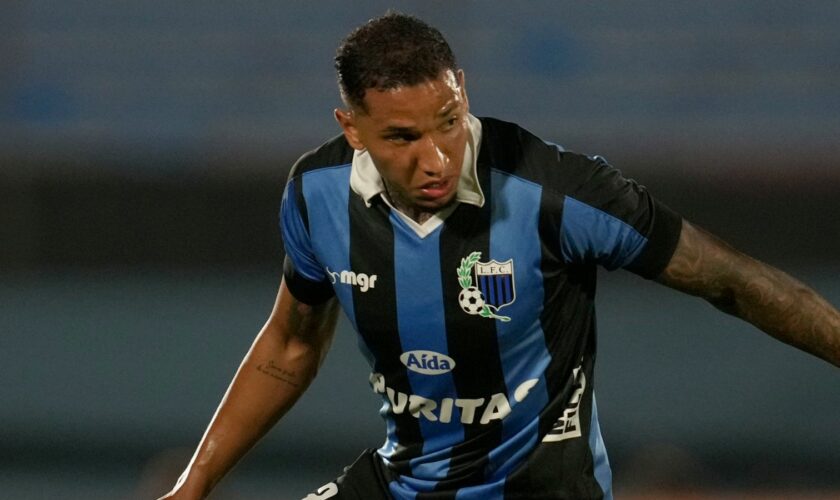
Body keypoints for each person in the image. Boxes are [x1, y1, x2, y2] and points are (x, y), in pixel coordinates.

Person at [159, 12, 840, 500]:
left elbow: (733, 281)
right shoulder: (316, 195)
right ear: (352, 129)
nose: (437, 157)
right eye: (403, 136)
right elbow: (290, 344)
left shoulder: (556, 193)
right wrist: (193, 486)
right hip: (406, 479)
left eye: (449, 120)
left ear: (462, 88)